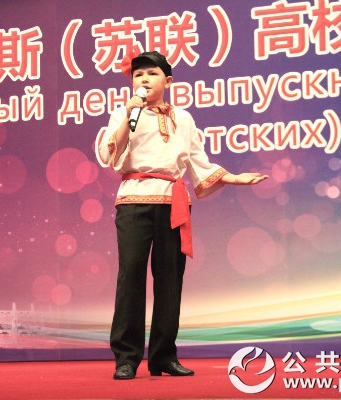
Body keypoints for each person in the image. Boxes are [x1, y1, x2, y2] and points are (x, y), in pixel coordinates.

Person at [97, 51, 268, 380]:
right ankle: (126, 358)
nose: (144, 79)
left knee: (170, 279)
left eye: (151, 73)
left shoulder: (184, 119)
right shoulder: (123, 112)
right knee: (131, 277)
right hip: (133, 201)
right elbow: (109, 155)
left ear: (168, 81)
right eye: (138, 75)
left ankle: (163, 356)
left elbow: (197, 160)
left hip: (173, 202)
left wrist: (233, 177)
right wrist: (127, 116)